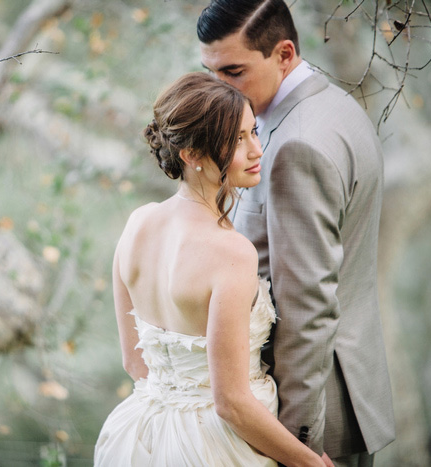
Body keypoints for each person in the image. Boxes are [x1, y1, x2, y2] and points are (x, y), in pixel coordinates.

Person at [197, 1, 396, 466]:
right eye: (210, 73)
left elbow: (307, 307)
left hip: (313, 416)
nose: (219, 90)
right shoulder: (333, 105)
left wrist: (296, 444)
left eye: (233, 72)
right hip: (345, 391)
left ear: (284, 54)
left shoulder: (297, 146)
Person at [94, 72, 325, 466]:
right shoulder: (231, 252)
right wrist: (309, 463)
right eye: (237, 139)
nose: (256, 150)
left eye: (254, 131)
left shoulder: (137, 224)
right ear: (191, 155)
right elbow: (231, 403)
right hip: (215, 448)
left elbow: (134, 363)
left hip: (139, 439)